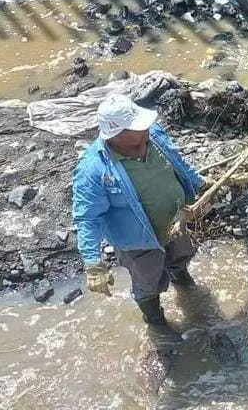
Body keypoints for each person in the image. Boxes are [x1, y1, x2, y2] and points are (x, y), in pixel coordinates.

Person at [73, 94, 206, 327]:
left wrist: (200, 185)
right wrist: (93, 263)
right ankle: (156, 323)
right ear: (116, 135)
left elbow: (178, 161)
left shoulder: (153, 135)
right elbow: (88, 218)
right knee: (147, 285)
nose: (145, 128)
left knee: (181, 258)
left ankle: (184, 285)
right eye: (136, 128)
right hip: (140, 244)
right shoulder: (93, 169)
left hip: (176, 223)